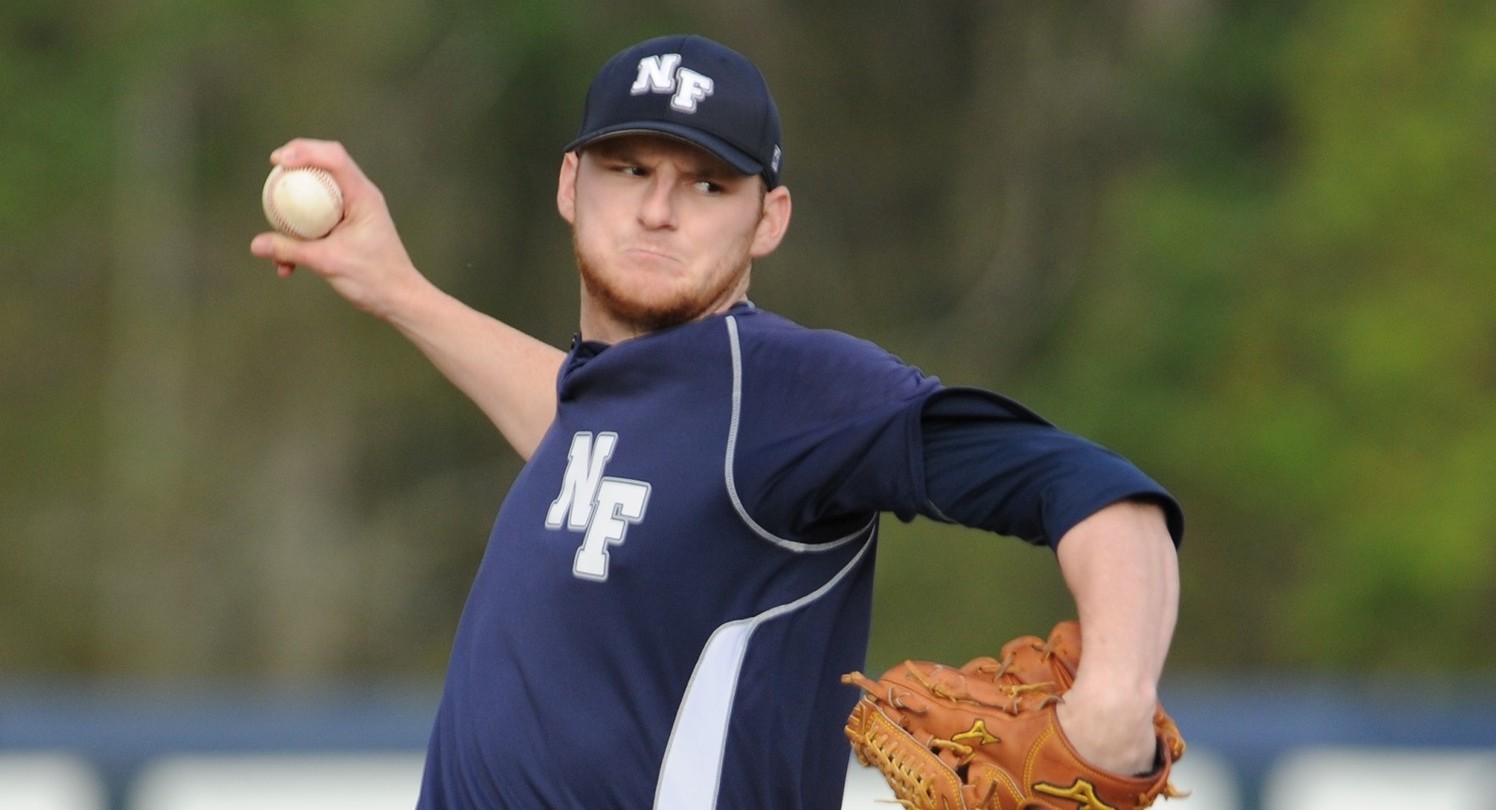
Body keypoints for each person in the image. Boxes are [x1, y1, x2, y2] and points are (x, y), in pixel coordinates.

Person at [250, 34, 1182, 810]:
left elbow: (1096, 492)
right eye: (631, 169)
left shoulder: (787, 389)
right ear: (572, 184)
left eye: (706, 185)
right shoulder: (619, 406)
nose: (658, 209)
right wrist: (397, 289)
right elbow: (596, 436)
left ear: (768, 219)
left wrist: (1116, 696)